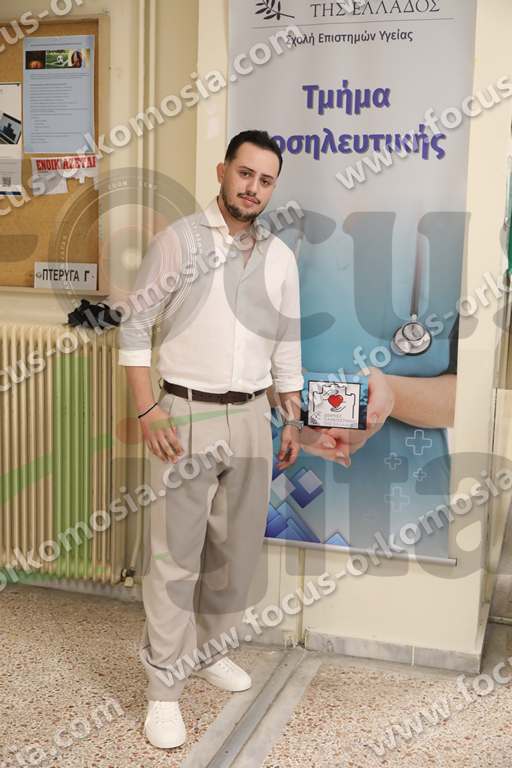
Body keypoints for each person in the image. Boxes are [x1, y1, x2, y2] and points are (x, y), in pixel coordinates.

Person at [118, 130, 304, 750]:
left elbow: (286, 343)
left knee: (235, 552)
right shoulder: (178, 243)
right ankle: (164, 689)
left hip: (252, 416)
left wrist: (290, 415)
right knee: (176, 559)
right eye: (245, 174)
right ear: (222, 171)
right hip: (185, 414)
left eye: (265, 180)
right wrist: (147, 408)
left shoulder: (280, 257)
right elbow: (136, 325)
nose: (253, 188)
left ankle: (210, 651)